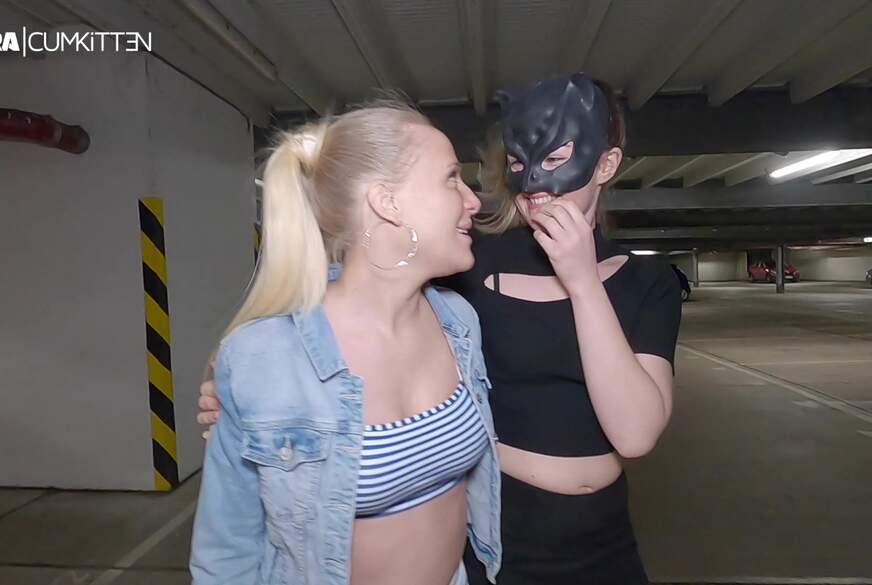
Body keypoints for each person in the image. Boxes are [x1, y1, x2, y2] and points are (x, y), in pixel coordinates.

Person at [199, 73, 680, 585]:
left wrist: (582, 281)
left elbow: (635, 433)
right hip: (499, 536)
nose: (534, 182)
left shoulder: (645, 282)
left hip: (602, 539)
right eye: (519, 163)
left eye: (558, 159)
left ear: (606, 163)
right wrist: (251, 392)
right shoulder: (469, 266)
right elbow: (369, 284)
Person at [189, 100, 502, 585]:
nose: (473, 201)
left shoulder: (457, 321)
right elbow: (226, 549)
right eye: (451, 178)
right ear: (387, 202)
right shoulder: (266, 357)